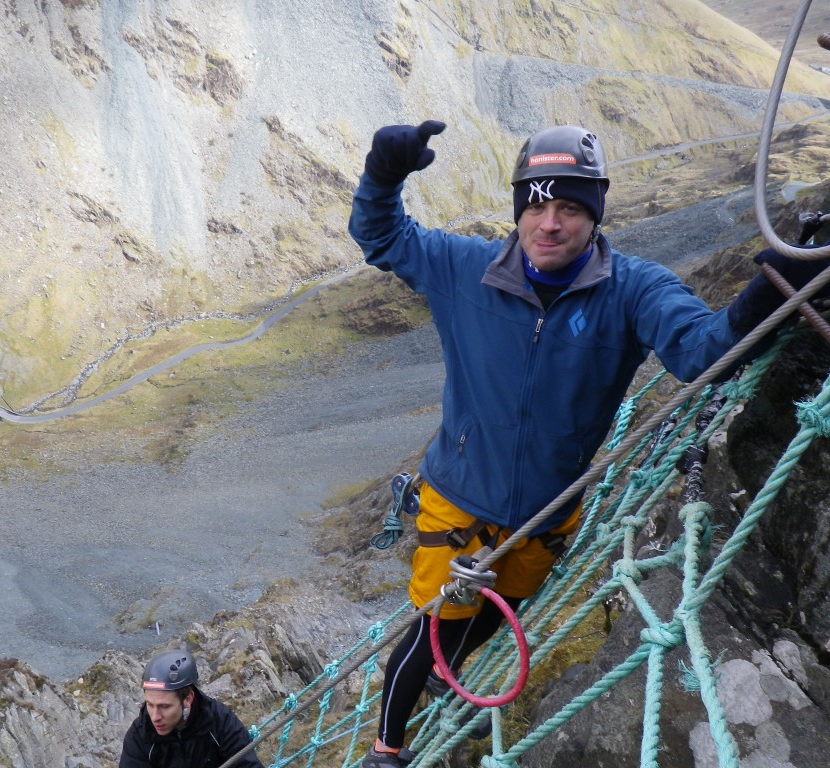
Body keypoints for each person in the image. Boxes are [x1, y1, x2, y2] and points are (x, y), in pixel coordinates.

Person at [348, 120, 829, 767]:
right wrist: (384, 173)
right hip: (459, 501)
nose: (549, 223)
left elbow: (703, 352)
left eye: (569, 207)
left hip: (548, 512)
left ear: (595, 215)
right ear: (519, 210)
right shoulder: (465, 270)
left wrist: (777, 282)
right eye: (537, 205)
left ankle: (447, 672)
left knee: (503, 610)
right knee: (436, 625)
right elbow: (380, 235)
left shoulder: (631, 291)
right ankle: (387, 747)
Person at [119, 649, 264, 768]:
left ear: (187, 699)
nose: (155, 716)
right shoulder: (139, 737)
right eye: (150, 705)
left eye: (164, 706)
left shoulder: (219, 721)